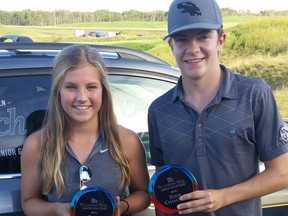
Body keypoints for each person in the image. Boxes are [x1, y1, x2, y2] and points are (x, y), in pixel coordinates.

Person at [148, 0, 288, 215]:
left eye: (203, 36)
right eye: (182, 39)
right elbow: (162, 188)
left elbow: (282, 172)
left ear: (220, 41)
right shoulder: (159, 110)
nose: (193, 49)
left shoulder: (254, 94)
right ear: (171, 46)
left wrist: (224, 197)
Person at [21, 44, 150, 216]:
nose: (82, 97)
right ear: (58, 90)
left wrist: (122, 207)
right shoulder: (37, 144)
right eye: (71, 87)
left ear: (103, 90)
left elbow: (144, 194)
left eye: (91, 87)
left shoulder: (126, 140)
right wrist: (58, 209)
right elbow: (29, 203)